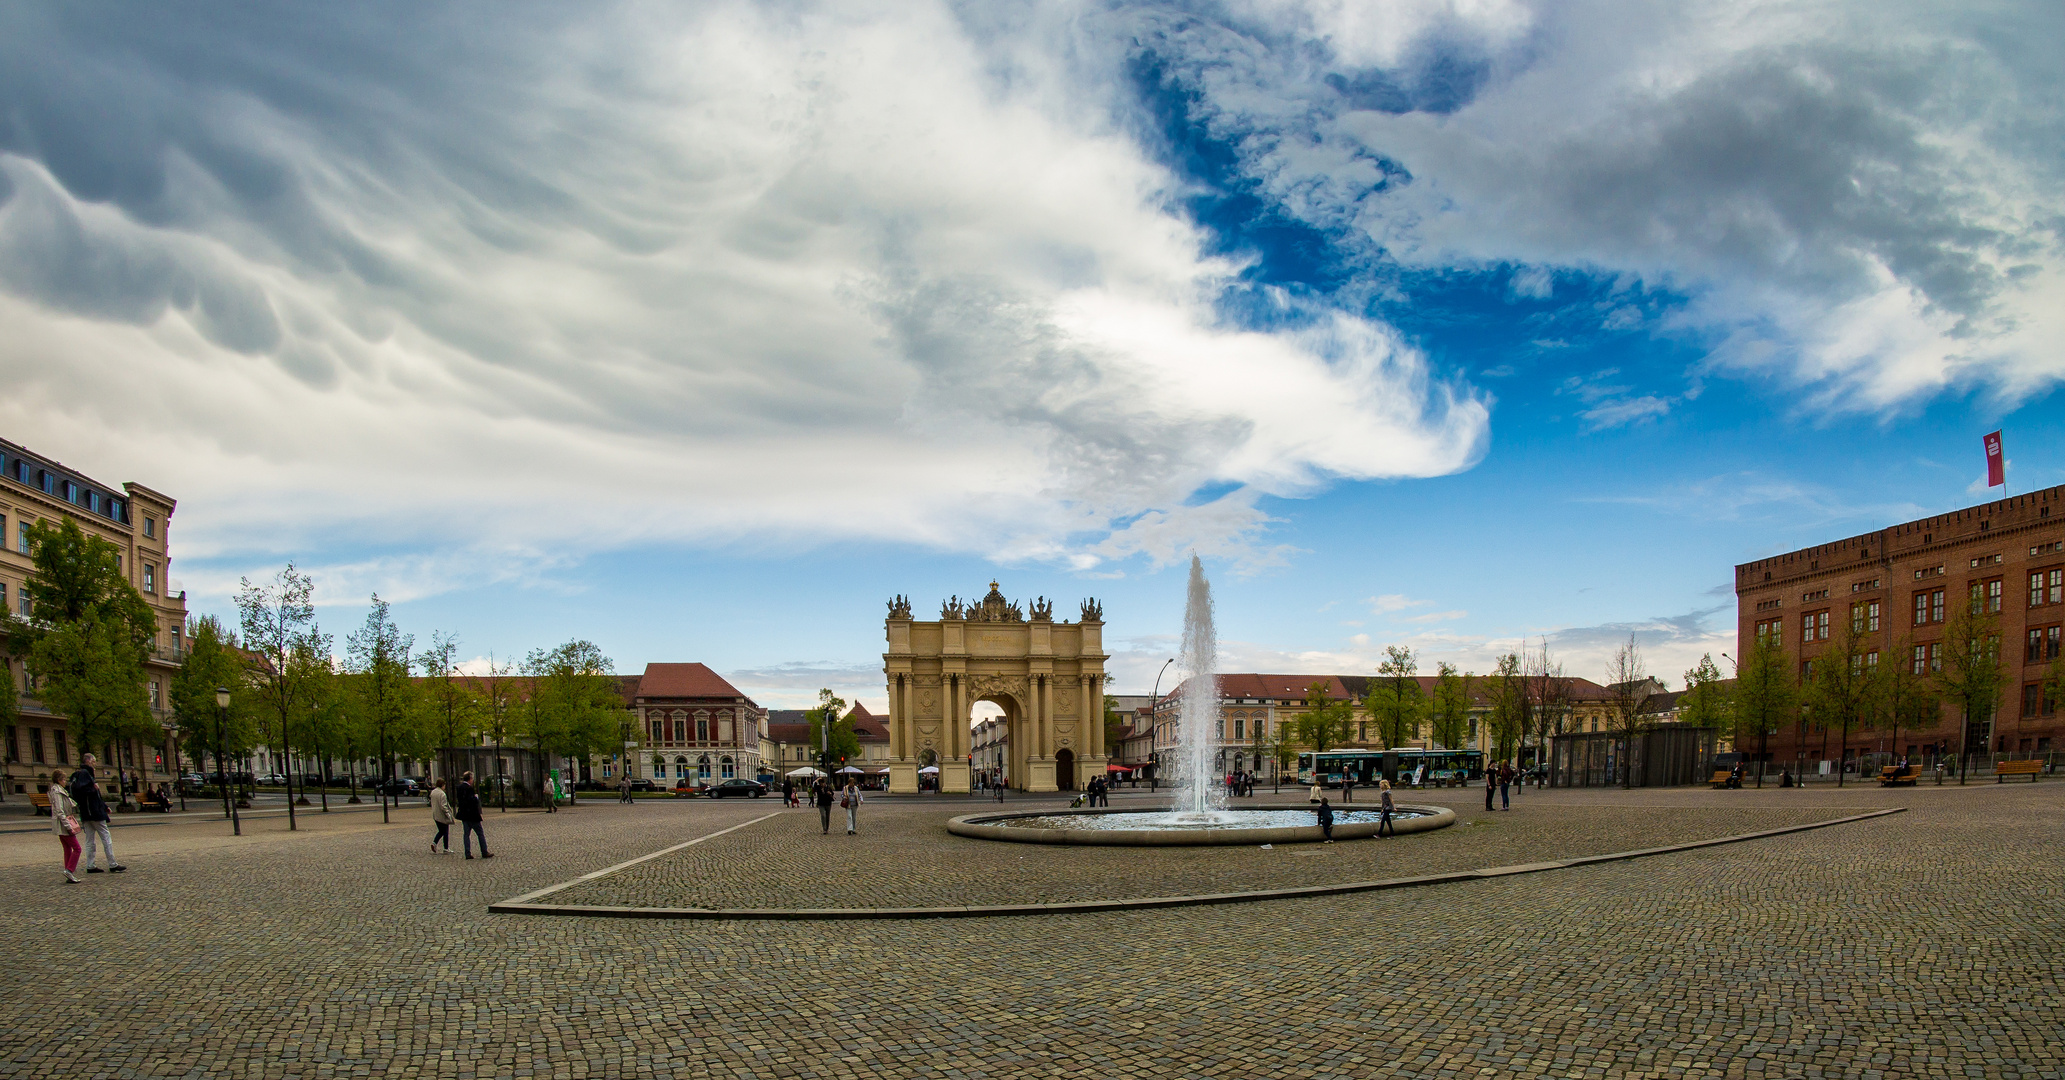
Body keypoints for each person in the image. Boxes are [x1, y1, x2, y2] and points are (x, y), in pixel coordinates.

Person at [69, 753, 123, 874]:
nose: (95, 764)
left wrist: (104, 806)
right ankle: (112, 863)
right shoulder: (85, 774)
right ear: (88, 762)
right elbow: (88, 792)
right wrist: (94, 789)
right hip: (94, 812)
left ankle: (91, 864)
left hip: (86, 813)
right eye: (93, 762)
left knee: (90, 839)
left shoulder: (81, 774)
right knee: (105, 836)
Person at [49, 770, 84, 883]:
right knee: (77, 848)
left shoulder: (58, 790)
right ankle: (69, 870)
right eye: (64, 779)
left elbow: (70, 803)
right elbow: (59, 811)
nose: (65, 781)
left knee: (67, 848)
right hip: (63, 825)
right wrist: (68, 826)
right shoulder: (57, 792)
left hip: (61, 824)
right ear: (59, 780)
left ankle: (68, 871)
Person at [455, 771, 491, 859]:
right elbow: (471, 801)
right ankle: (484, 851)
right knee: (480, 833)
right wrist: (476, 798)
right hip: (472, 815)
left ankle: (467, 853)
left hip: (464, 814)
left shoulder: (459, 788)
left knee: (466, 834)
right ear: (470, 779)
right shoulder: (469, 788)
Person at [428, 778, 454, 854]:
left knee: (441, 831)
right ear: (442, 785)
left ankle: (435, 843)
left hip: (435, 815)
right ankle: (445, 847)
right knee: (445, 831)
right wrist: (448, 814)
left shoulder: (433, 792)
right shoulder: (442, 794)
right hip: (442, 816)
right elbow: (443, 806)